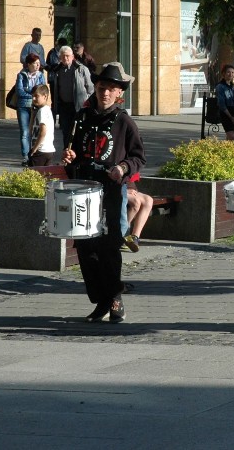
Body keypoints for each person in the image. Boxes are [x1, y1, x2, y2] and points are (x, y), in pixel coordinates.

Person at [62, 63, 146, 323]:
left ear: (119, 93)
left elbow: (138, 157)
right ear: (95, 89)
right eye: (101, 88)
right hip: (84, 191)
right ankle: (100, 301)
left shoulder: (124, 121)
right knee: (86, 250)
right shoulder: (82, 118)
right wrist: (70, 156)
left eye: (111, 89)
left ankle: (115, 299)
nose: (105, 93)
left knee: (109, 248)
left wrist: (122, 168)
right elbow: (73, 151)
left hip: (111, 193)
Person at [53, 45, 94, 149]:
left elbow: (90, 88)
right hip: (64, 106)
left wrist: (87, 103)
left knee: (78, 131)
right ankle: (67, 152)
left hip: (79, 106)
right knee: (66, 131)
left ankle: (78, 153)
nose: (65, 58)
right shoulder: (58, 70)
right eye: (63, 56)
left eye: (67, 56)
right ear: (60, 58)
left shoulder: (81, 69)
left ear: (72, 56)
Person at [16, 54, 47, 166]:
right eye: (35, 63)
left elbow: (43, 91)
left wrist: (28, 90)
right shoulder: (21, 75)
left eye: (39, 63)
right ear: (28, 64)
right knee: (25, 132)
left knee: (36, 131)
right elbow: (19, 91)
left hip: (36, 107)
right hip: (23, 106)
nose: (38, 65)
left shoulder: (41, 75)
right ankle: (25, 157)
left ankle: (34, 153)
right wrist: (34, 95)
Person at [123, 174, 152, 253]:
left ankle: (134, 237)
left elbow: (131, 178)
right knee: (136, 202)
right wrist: (125, 190)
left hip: (129, 189)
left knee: (148, 200)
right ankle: (123, 234)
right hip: (117, 189)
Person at [27, 84, 55, 166]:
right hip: (49, 151)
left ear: (45, 96)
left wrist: (34, 149)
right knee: (45, 177)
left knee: (34, 176)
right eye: (32, 96)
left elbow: (43, 132)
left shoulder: (42, 111)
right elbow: (31, 130)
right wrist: (32, 114)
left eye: (36, 96)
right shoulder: (46, 110)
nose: (33, 98)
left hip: (41, 150)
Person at [216, 64, 234, 141]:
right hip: (226, 113)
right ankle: (231, 152)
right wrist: (230, 116)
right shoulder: (220, 86)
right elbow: (221, 104)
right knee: (231, 136)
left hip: (233, 112)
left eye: (232, 72)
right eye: (228, 72)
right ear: (223, 73)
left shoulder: (232, 86)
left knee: (229, 137)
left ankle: (227, 152)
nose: (231, 74)